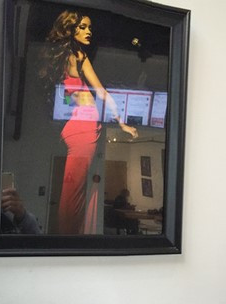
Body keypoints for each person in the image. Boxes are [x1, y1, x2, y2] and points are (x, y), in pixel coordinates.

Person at [41, 10, 138, 234]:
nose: (88, 32)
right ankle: (67, 242)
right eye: (82, 27)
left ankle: (68, 239)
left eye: (90, 28)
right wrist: (121, 123)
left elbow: (67, 97)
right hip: (83, 130)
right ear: (70, 29)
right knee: (73, 196)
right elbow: (102, 93)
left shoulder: (62, 59)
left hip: (76, 128)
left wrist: (81, 97)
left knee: (75, 194)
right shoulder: (78, 56)